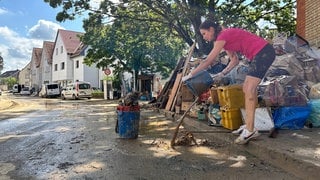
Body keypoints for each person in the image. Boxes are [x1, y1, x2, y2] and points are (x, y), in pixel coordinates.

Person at [182, 20, 276, 145]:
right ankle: (249, 126)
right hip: (258, 55)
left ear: (211, 29)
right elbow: (234, 60)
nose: (204, 37)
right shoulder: (224, 41)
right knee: (246, 89)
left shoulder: (223, 36)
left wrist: (190, 74)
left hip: (264, 52)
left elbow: (209, 60)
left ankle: (250, 130)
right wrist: (222, 74)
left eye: (204, 33)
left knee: (249, 89)